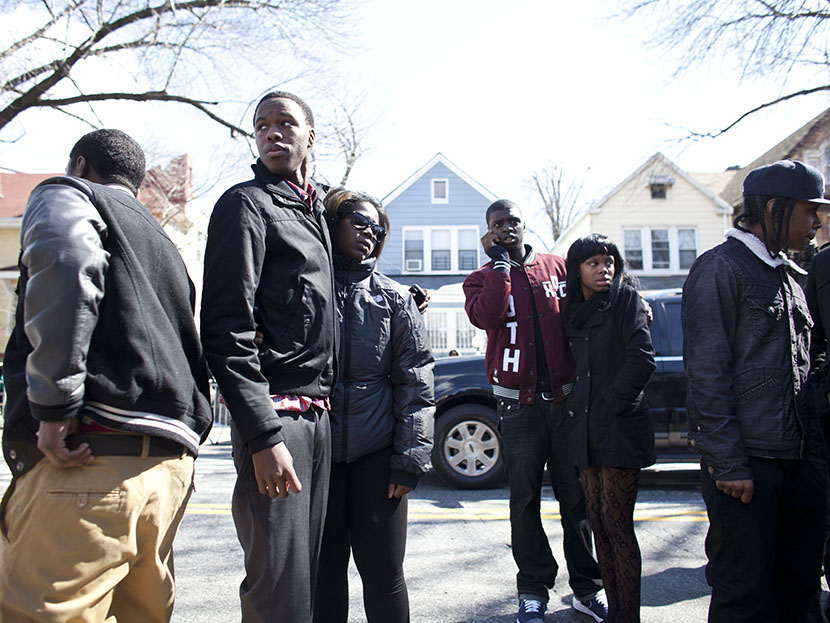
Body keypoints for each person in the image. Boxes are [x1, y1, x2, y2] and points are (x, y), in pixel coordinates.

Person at [0, 129, 212, 622]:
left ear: (80, 165)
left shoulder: (70, 194)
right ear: (136, 187)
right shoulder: (165, 244)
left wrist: (54, 409)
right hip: (168, 473)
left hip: (89, 457)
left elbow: (69, 262)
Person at [200, 91, 337, 622]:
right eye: (262, 125)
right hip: (277, 422)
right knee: (278, 587)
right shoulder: (246, 204)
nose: (272, 133)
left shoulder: (318, 210)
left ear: (310, 136)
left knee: (311, 583)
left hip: (323, 419)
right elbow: (226, 327)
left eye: (286, 123)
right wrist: (262, 435)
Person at [683, 159, 829, 622]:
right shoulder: (719, 269)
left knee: (801, 594)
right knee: (744, 599)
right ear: (774, 209)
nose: (818, 223)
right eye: (811, 211)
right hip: (747, 470)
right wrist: (728, 463)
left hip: (800, 462)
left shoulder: (793, 277)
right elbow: (707, 373)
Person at [463, 199, 606, 623]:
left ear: (526, 225)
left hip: (565, 403)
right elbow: (486, 317)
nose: (507, 228)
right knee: (524, 500)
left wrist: (632, 303)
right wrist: (501, 267)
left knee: (575, 499)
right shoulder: (479, 279)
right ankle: (532, 590)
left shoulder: (559, 268)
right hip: (517, 406)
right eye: (497, 224)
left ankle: (586, 588)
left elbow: (597, 294)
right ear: (488, 232)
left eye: (513, 222)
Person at [313, 188, 434, 623]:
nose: (369, 233)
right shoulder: (310, 289)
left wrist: (410, 461)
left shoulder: (396, 299)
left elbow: (415, 384)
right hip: (319, 456)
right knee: (323, 574)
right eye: (359, 222)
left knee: (383, 574)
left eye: (377, 229)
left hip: (378, 460)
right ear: (333, 223)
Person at [564, 234, 656, 623]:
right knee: (598, 524)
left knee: (618, 527)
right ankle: (614, 613)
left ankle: (627, 616)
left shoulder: (626, 300)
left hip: (617, 426)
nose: (604, 269)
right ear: (578, 270)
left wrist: (607, 406)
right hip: (584, 431)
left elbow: (642, 360)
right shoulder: (573, 310)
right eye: (594, 263)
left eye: (609, 262)